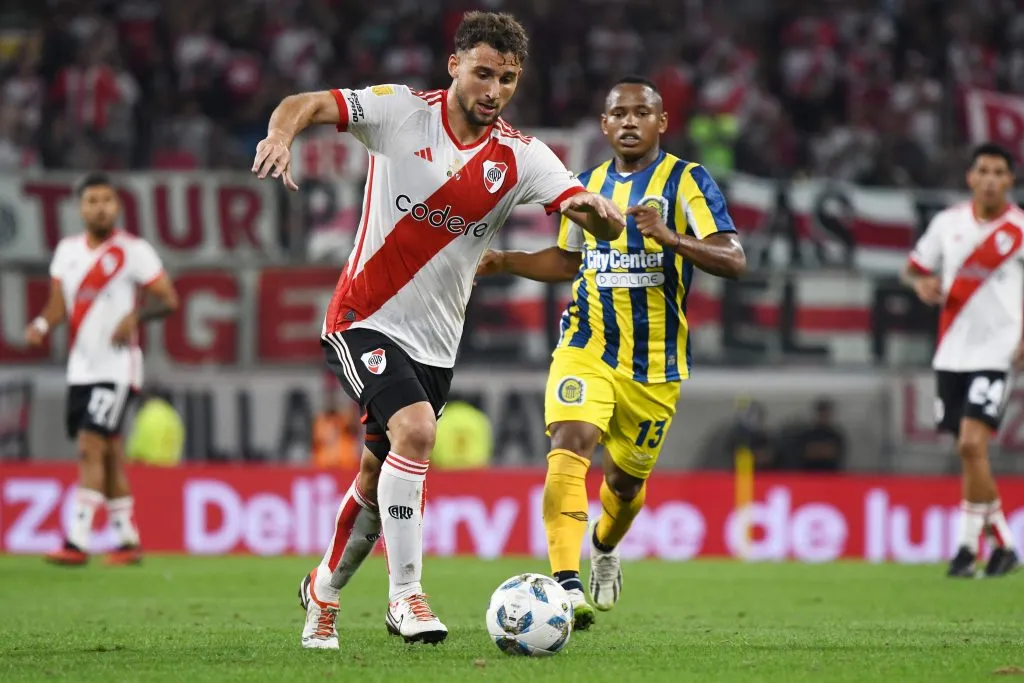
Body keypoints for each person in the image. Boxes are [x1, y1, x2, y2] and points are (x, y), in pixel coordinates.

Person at [251, 11, 625, 649]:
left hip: (436, 342)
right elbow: (305, 103)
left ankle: (323, 592)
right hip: (362, 318)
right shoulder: (400, 112)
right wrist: (281, 135)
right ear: (455, 66)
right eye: (482, 73)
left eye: (507, 79)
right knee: (416, 430)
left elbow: (595, 223)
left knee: (377, 480)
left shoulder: (521, 155)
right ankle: (407, 597)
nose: (494, 89)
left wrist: (600, 215)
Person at [476, 76, 745, 627]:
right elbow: (569, 262)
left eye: (640, 113)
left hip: (654, 367)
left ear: (661, 123)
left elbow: (733, 258)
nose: (628, 121)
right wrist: (506, 262)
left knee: (623, 485)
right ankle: (565, 584)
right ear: (603, 124)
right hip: (587, 345)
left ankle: (603, 545)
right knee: (569, 443)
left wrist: (670, 238)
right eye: (617, 113)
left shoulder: (686, 181)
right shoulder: (588, 184)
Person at [24, 172, 179, 566]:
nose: (100, 207)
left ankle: (76, 540)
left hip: (117, 367)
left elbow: (168, 299)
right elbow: (58, 305)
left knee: (90, 444)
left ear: (118, 206)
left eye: (107, 200)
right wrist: (42, 325)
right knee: (108, 451)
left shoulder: (134, 250)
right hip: (82, 367)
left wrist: (136, 316)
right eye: (92, 201)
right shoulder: (67, 251)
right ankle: (128, 540)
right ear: (80, 207)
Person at [901, 142, 1020, 578]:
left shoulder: (1020, 230)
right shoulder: (947, 223)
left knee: (972, 444)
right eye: (983, 171)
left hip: (997, 353)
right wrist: (920, 285)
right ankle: (976, 548)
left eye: (999, 172)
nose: (990, 179)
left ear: (1010, 180)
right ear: (971, 177)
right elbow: (913, 267)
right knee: (967, 451)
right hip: (951, 352)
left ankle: (994, 545)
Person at [311, 393, 361, 469]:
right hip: (324, 463)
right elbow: (318, 439)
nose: (331, 402)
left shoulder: (344, 418)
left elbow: (355, 428)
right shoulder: (320, 421)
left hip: (346, 463)